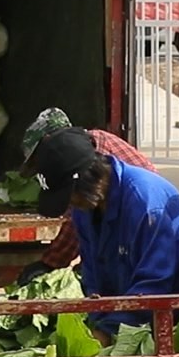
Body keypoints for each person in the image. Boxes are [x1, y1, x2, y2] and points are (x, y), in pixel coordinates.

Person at [29, 126, 179, 343]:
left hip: (170, 324)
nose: (70, 204)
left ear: (88, 179)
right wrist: (97, 320)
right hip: (120, 320)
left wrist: (106, 333)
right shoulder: (85, 208)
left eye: (69, 195)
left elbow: (154, 286)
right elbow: (92, 274)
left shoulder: (145, 203)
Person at [14, 108, 157, 284]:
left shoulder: (90, 157)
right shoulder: (84, 151)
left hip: (140, 226)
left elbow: (76, 219)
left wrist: (51, 263)